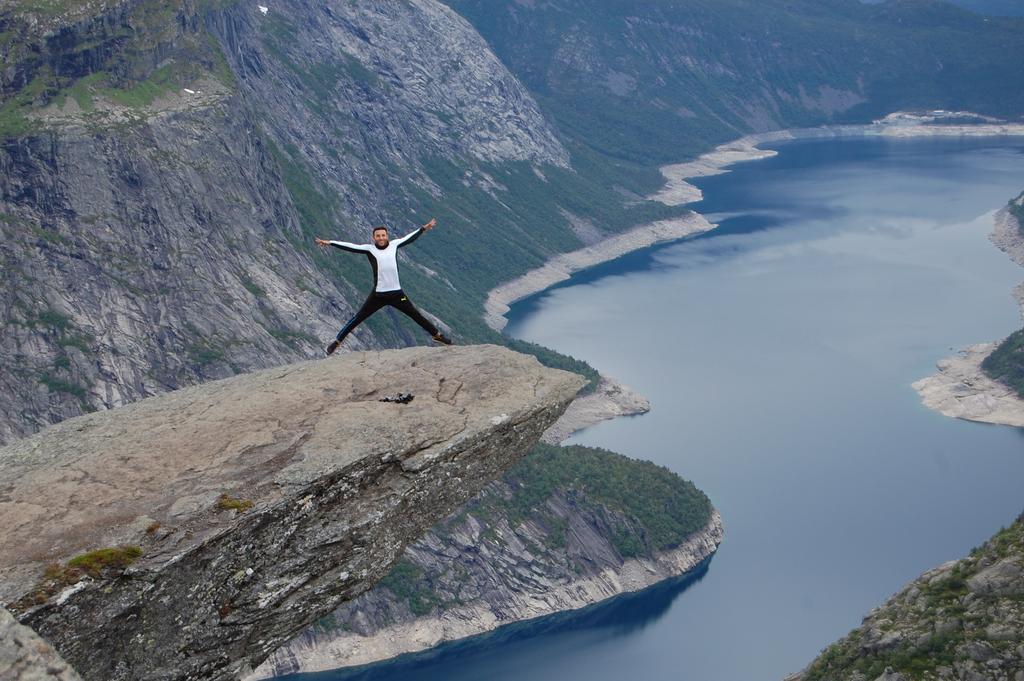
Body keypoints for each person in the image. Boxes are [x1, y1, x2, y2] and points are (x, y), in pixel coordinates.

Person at [315, 218, 452, 355]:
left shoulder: (394, 245)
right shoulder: (370, 249)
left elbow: (410, 237)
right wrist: (330, 243)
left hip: (397, 295)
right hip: (378, 295)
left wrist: (424, 228)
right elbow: (350, 246)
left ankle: (437, 335)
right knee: (358, 318)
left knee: (416, 315)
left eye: (383, 235)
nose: (381, 238)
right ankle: (337, 342)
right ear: (373, 238)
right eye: (378, 236)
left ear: (387, 236)